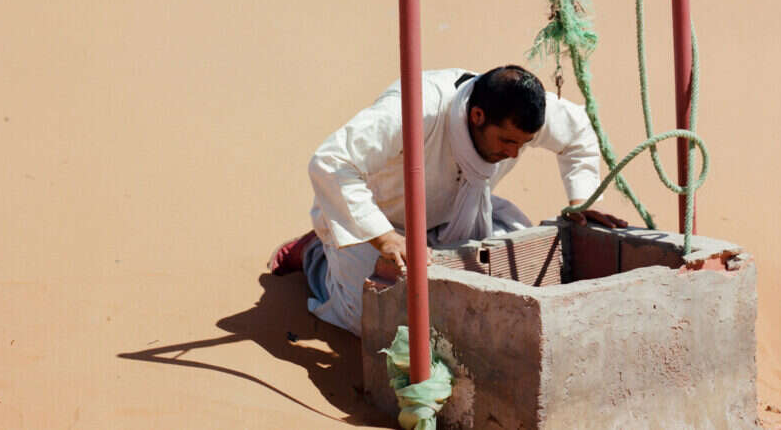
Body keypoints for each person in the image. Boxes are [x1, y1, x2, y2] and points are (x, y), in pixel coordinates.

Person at [268, 65, 626, 336]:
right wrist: (385, 238)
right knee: (373, 319)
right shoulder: (415, 109)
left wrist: (583, 199)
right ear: (477, 116)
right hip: (379, 222)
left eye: (523, 144)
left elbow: (577, 131)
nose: (514, 153)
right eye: (507, 142)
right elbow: (331, 162)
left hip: (460, 213)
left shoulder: (521, 112)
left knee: (518, 272)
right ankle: (316, 255)